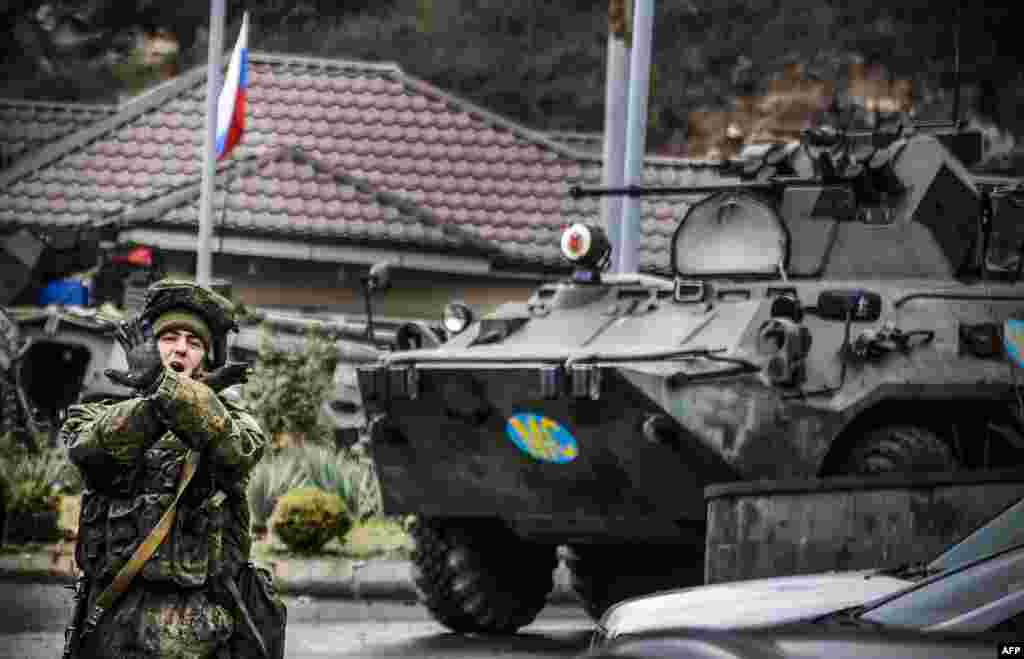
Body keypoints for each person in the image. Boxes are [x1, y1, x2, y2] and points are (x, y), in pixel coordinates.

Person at [61, 279, 286, 659]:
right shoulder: (95, 413)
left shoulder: (232, 420)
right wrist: (160, 394)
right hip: (111, 626)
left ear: (206, 359)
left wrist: (167, 388)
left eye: (194, 342)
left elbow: (238, 451)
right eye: (169, 337)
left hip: (197, 631)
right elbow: (90, 449)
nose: (181, 347)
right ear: (143, 349)